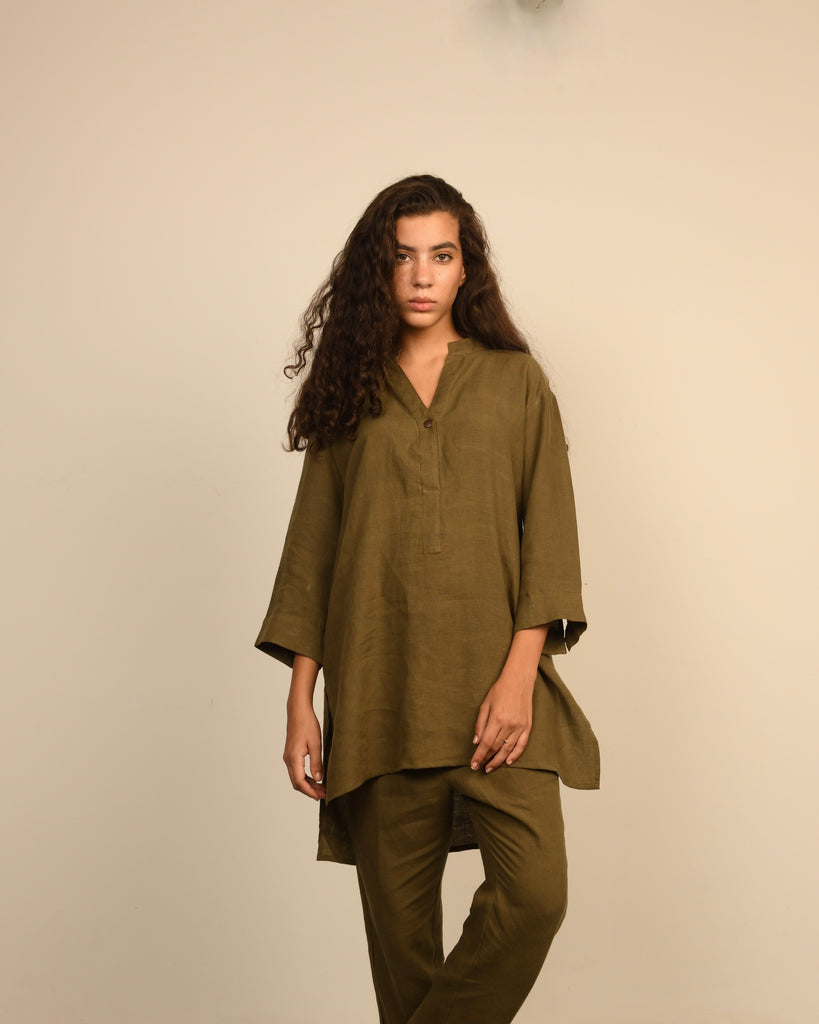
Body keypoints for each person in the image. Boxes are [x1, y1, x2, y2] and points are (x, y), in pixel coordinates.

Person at [255, 174, 599, 1024]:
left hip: (494, 696)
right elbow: (313, 553)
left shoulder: (516, 382)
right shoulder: (349, 390)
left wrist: (518, 677)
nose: (420, 275)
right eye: (402, 257)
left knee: (534, 897)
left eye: (439, 256)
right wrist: (301, 701)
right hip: (379, 698)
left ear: (464, 267)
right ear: (378, 270)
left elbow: (549, 538)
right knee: (402, 958)